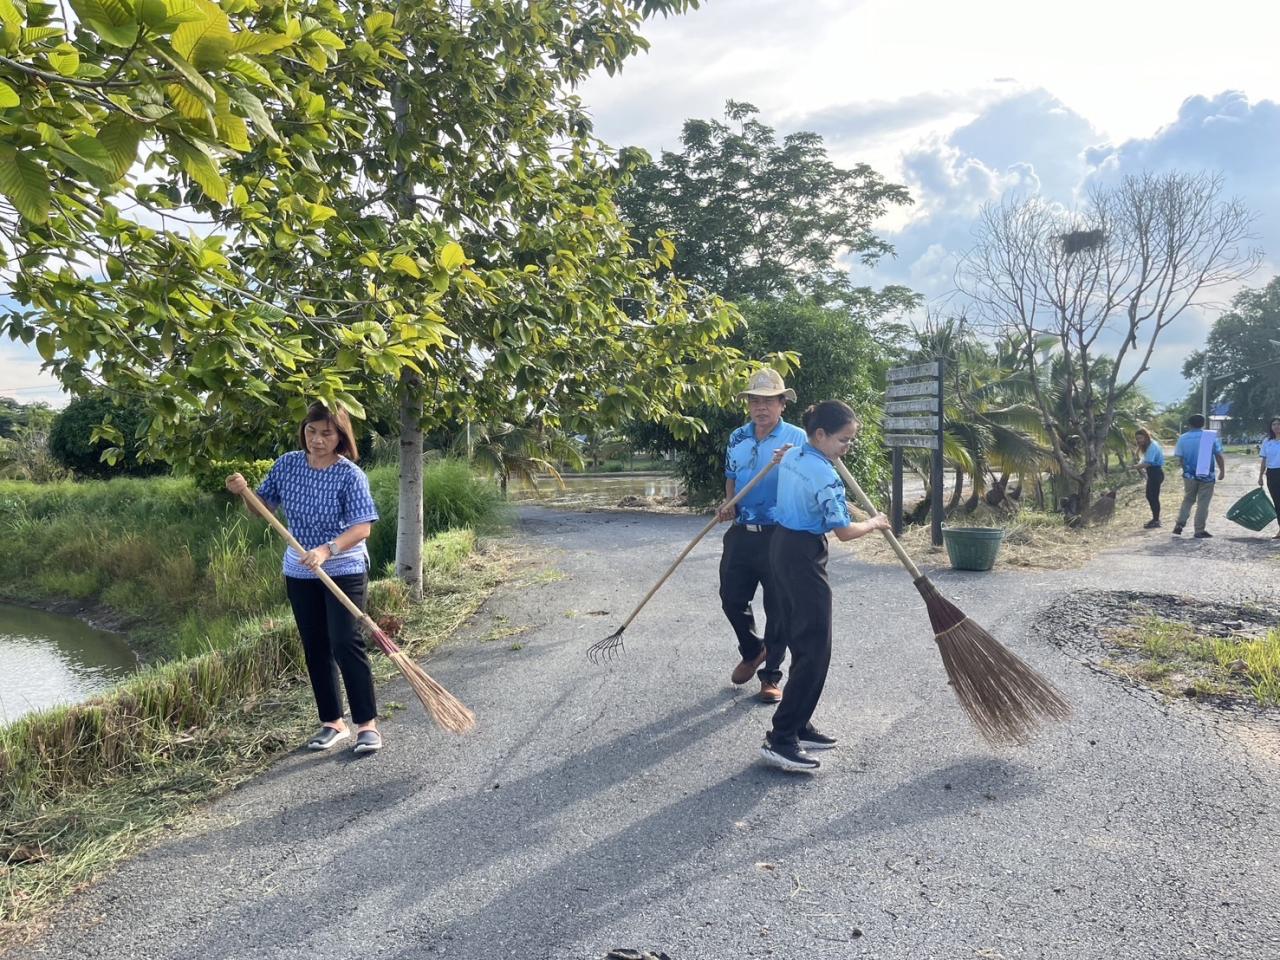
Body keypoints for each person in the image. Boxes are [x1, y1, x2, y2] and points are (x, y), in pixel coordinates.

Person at [225, 402, 382, 754]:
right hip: (300, 569)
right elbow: (261, 508)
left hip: (343, 567)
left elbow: (362, 528)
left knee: (345, 641)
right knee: (315, 645)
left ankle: (366, 725)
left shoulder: (349, 475)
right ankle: (333, 722)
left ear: (341, 436)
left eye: (326, 433)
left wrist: (327, 550)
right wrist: (245, 491)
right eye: (312, 431)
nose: (317, 439)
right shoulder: (288, 464)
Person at [758, 400, 890, 773]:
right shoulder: (825, 473)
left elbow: (825, 500)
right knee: (816, 648)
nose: (848, 448)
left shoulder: (794, 455)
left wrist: (858, 511)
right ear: (820, 435)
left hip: (781, 547)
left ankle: (799, 723)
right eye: (844, 441)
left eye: (851, 441)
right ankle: (781, 738)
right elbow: (845, 532)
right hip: (802, 558)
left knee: (804, 642)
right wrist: (875, 523)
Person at [717, 368, 807, 703]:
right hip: (742, 531)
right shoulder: (737, 438)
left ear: (783, 404)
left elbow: (812, 476)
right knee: (731, 597)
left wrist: (793, 461)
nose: (761, 407)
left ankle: (771, 676)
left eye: (769, 401)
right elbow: (731, 476)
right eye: (755, 400)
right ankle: (754, 650)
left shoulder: (797, 439)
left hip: (781, 534)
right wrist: (728, 503)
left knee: (779, 607)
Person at [1170, 414, 1225, 538]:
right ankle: (1199, 530)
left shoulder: (1183, 438)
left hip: (1189, 474)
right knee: (1203, 502)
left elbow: (1181, 458)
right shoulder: (1209, 436)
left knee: (1188, 499)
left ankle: (1180, 524)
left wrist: (1186, 471)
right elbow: (1218, 455)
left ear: (1189, 424)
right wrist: (1222, 471)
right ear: (1203, 423)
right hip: (1206, 474)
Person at [1133, 428, 1165, 528]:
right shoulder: (1147, 446)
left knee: (1153, 497)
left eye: (1140, 438)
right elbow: (1143, 460)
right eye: (1137, 439)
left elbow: (1148, 463)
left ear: (1146, 437)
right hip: (1152, 473)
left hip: (1156, 473)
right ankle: (1155, 519)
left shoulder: (1152, 446)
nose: (1139, 440)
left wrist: (1134, 467)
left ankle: (1156, 520)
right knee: (1150, 496)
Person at [1257, 417, 1280, 539]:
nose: (1276, 427)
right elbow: (1264, 459)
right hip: (1272, 473)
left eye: (1278, 424)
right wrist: (1260, 476)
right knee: (1277, 502)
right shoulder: (1267, 441)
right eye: (1274, 424)